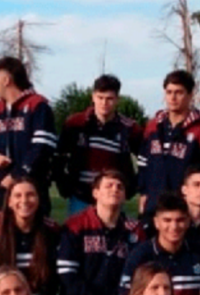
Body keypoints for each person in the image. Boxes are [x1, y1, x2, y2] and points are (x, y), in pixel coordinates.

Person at [136, 70, 200, 221]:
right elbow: (143, 162)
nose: (173, 97)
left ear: (190, 96)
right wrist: (144, 192)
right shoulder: (153, 127)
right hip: (153, 209)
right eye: (169, 92)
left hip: (183, 214)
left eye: (179, 92)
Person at [0, 56, 57, 209]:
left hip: (31, 192)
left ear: (6, 80)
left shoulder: (38, 106)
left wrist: (17, 175)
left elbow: (42, 147)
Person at [57, 170, 145, 295]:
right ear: (95, 193)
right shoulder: (75, 226)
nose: (115, 189)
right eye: (109, 186)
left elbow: (139, 274)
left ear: (124, 196)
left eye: (120, 187)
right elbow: (67, 272)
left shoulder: (135, 230)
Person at [54, 74, 143, 217]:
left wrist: (131, 187)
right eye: (100, 98)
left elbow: (146, 160)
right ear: (93, 97)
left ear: (117, 100)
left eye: (109, 99)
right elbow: (59, 156)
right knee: (77, 236)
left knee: (113, 237)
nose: (104, 103)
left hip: (113, 197)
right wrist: (63, 184)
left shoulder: (129, 129)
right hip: (80, 196)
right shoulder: (76, 124)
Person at [120, 192, 200, 295]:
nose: (174, 226)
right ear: (156, 222)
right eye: (167, 220)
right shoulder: (140, 255)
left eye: (180, 220)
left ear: (188, 222)